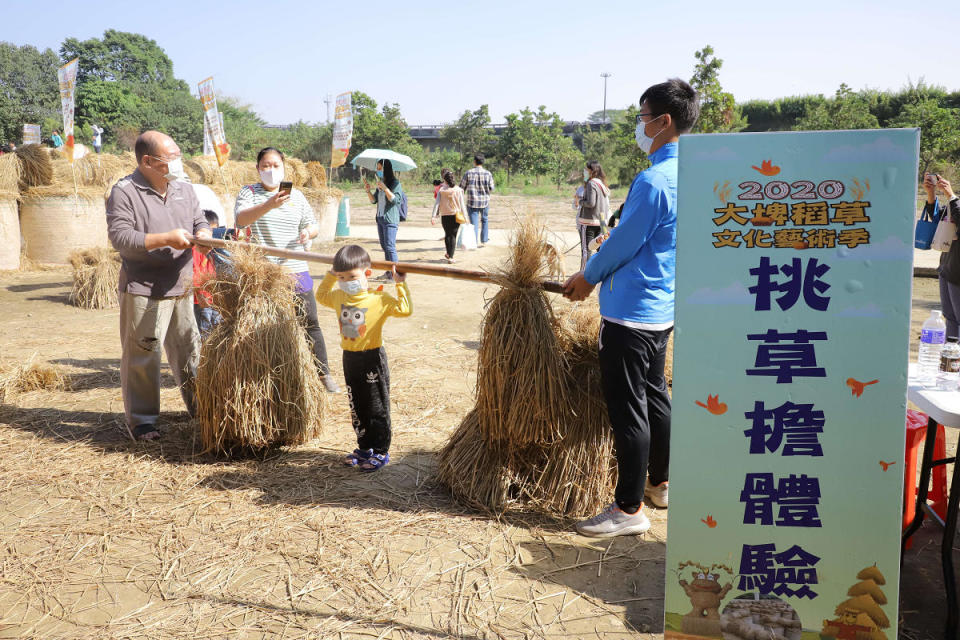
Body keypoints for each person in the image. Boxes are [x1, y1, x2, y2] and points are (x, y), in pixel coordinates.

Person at [564, 78, 699, 537]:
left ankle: (627, 509)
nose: (639, 128)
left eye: (643, 118)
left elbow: (626, 239)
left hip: (630, 311)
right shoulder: (691, 173)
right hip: (662, 307)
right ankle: (661, 483)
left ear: (664, 121)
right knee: (657, 394)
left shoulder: (655, 179)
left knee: (629, 409)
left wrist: (588, 276)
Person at [106, 130, 213, 441]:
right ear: (148, 161)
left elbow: (199, 220)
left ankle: (202, 409)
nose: (178, 162)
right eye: (172, 158)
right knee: (144, 355)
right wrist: (165, 238)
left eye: (179, 154)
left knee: (189, 351)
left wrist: (204, 233)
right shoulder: (125, 191)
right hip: (144, 288)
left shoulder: (183, 188)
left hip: (181, 284)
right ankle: (142, 422)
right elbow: (121, 238)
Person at [234, 146, 339, 393]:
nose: (270, 170)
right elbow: (241, 220)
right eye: (265, 166)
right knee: (264, 325)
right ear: (257, 168)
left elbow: (312, 225)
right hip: (263, 272)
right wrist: (270, 204)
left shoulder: (297, 196)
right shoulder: (249, 192)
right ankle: (266, 379)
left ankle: (323, 374)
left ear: (284, 167)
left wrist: (308, 232)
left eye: (275, 166)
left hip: (296, 268)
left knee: (310, 321)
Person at [315, 244, 413, 471]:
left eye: (352, 276)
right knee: (356, 404)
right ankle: (364, 446)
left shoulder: (379, 299)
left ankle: (381, 450)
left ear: (367, 274)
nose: (346, 280)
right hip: (349, 358)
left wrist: (400, 284)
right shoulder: (338, 295)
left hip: (372, 358)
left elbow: (404, 309)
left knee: (376, 405)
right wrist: (331, 276)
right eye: (341, 277)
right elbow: (320, 296)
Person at [924, 173, 960, 337]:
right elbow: (941, 221)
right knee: (950, 317)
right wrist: (931, 193)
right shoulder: (956, 203)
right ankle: (950, 357)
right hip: (947, 269)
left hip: (957, 274)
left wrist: (952, 196)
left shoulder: (956, 202)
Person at [363, 159, 405, 280]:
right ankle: (388, 272)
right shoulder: (380, 183)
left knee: (390, 246)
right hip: (380, 218)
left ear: (386, 169)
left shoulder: (395, 183)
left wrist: (386, 188)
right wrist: (368, 190)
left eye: (380, 168)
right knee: (384, 246)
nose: (378, 170)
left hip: (390, 219)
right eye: (377, 168)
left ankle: (395, 275)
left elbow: (396, 200)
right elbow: (373, 200)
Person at [193, 210, 222, 338]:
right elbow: (194, 273)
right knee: (204, 335)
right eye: (210, 232)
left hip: (213, 299)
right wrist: (200, 294)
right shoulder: (196, 249)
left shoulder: (215, 249)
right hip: (201, 301)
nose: (212, 237)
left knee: (216, 333)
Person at [577, 161, 610, 270]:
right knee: (601, 249)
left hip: (588, 222)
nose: (584, 172)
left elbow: (591, 203)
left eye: (586, 170)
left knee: (586, 250)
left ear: (592, 171)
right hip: (602, 222)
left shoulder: (592, 184)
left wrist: (580, 201)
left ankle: (583, 276)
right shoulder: (602, 184)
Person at [430, 168, 467, 263]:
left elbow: (437, 204)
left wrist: (433, 216)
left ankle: (448, 253)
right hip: (456, 215)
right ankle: (451, 256)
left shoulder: (441, 190)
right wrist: (466, 217)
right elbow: (462, 205)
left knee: (447, 235)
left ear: (444, 180)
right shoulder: (459, 190)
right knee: (453, 235)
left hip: (445, 216)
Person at [460, 153, 495, 247]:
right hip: (485, 202)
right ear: (483, 162)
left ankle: (474, 242)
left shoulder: (468, 173)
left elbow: (462, 188)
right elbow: (491, 188)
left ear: (474, 162)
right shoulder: (488, 173)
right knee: (485, 220)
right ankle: (484, 240)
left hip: (472, 202)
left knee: (473, 223)